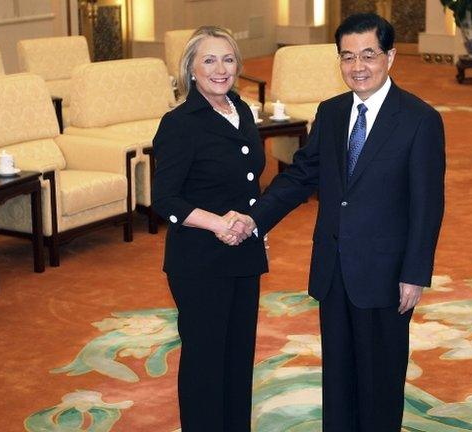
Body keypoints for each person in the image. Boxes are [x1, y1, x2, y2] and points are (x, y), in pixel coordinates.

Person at [229, 13, 446, 431]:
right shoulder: (330, 113)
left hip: (386, 275)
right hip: (333, 270)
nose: (358, 66)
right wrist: (254, 219)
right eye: (348, 57)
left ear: (391, 56)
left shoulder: (419, 120)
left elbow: (428, 205)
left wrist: (415, 273)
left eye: (369, 54)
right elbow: (299, 177)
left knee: (380, 383)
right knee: (339, 381)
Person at [151, 26, 267, 432]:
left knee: (238, 358)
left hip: (244, 254)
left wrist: (251, 224)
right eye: (209, 60)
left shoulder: (242, 110)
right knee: (205, 363)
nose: (221, 69)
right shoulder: (180, 123)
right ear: (191, 70)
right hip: (199, 261)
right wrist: (219, 224)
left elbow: (249, 182)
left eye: (229, 59)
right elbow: (165, 199)